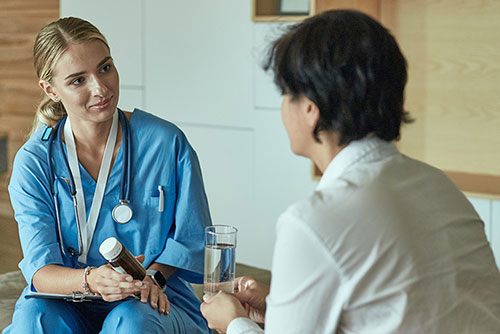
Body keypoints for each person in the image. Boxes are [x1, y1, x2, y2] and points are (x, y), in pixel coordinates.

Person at [200, 9, 500, 334]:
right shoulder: (439, 186)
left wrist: (233, 323)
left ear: (310, 109)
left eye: (286, 93)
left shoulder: (312, 222)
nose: (283, 106)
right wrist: (280, 309)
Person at [5, 17, 212, 333]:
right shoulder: (34, 162)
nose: (100, 88)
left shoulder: (166, 143)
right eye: (78, 80)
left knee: (132, 322)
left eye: (105, 68)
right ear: (51, 90)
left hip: (147, 300)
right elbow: (41, 271)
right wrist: (91, 281)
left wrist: (152, 278)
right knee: (34, 319)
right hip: (68, 299)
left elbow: (189, 238)